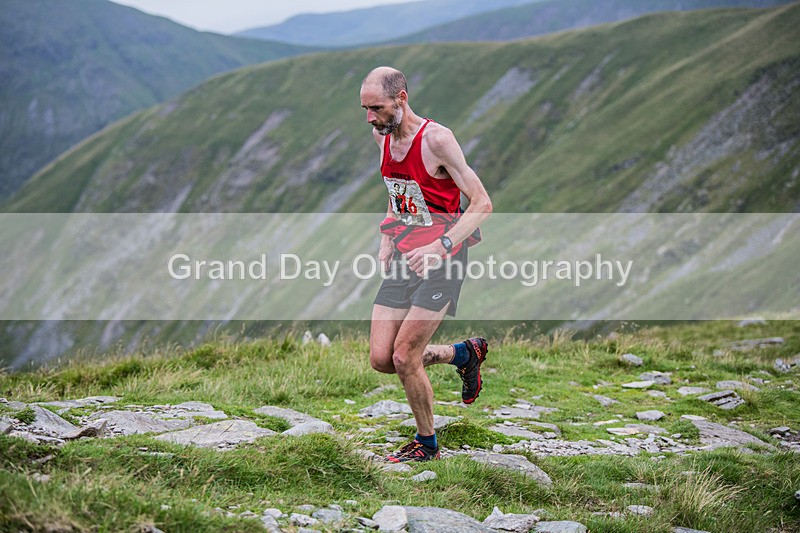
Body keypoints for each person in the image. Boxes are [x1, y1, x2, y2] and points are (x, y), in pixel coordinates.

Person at [360, 66, 493, 462]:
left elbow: (482, 203)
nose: (370, 118)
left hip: (443, 257)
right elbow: (396, 189)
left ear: (401, 98)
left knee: (404, 356)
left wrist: (442, 245)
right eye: (365, 109)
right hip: (405, 252)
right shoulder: (382, 136)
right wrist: (387, 235)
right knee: (382, 358)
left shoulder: (437, 140)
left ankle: (427, 443)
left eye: (377, 108)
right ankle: (463, 354)